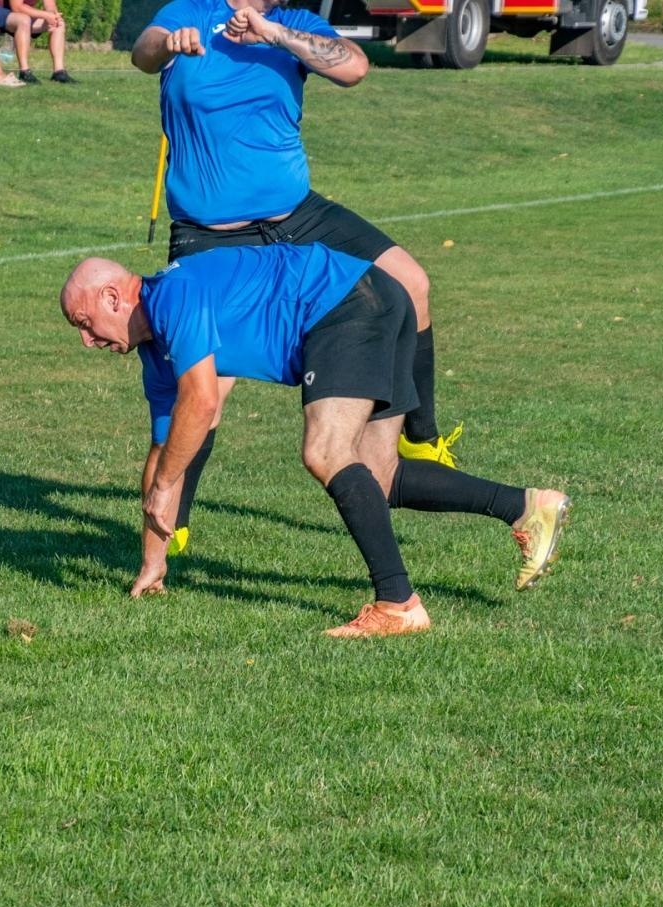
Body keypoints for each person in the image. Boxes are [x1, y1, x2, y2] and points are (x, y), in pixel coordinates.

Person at [59, 248, 570, 637]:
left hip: (346, 305)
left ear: (112, 298)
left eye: (84, 324)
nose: (86, 340)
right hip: (378, 297)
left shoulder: (172, 295)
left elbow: (203, 402)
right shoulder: (157, 351)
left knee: (325, 451)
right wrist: (153, 563)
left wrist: (166, 486)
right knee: (378, 476)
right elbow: (164, 452)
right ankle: (525, 506)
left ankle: (398, 605)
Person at [132, 0, 463, 559]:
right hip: (209, 232)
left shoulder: (295, 23)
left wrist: (274, 34)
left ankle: (422, 438)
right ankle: (171, 525)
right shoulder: (190, 10)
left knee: (411, 281)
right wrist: (168, 43)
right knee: (206, 387)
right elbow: (142, 53)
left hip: (296, 214)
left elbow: (354, 67)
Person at [0, 0, 73, 84]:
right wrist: (45, 15)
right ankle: (24, 72)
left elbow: (50, 5)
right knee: (24, 20)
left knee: (59, 23)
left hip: (20, 15)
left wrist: (53, 16)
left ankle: (59, 72)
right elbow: (17, 7)